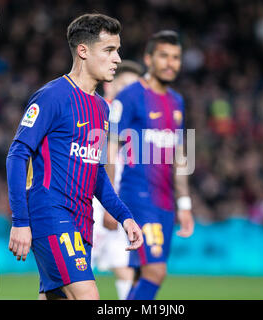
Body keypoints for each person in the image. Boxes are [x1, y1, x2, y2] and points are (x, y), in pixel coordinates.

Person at [6, 13, 143, 300]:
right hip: (51, 213)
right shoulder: (52, 97)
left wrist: (124, 217)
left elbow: (95, 172)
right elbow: (18, 154)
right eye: (109, 50)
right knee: (88, 296)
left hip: (83, 222)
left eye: (117, 50)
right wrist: (20, 221)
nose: (117, 58)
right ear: (83, 51)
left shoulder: (102, 110)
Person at [108, 30, 194, 300]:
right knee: (156, 271)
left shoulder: (177, 101)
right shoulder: (130, 97)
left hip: (165, 201)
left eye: (176, 57)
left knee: (141, 276)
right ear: (149, 58)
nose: (171, 63)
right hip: (137, 195)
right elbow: (110, 147)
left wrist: (185, 204)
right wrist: (111, 202)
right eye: (164, 56)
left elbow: (180, 153)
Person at [91, 60, 144, 300]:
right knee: (78, 267)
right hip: (95, 202)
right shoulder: (103, 112)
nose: (130, 92)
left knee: (125, 266)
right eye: (124, 85)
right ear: (109, 85)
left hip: (118, 202)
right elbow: (107, 157)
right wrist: (108, 206)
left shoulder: (132, 118)